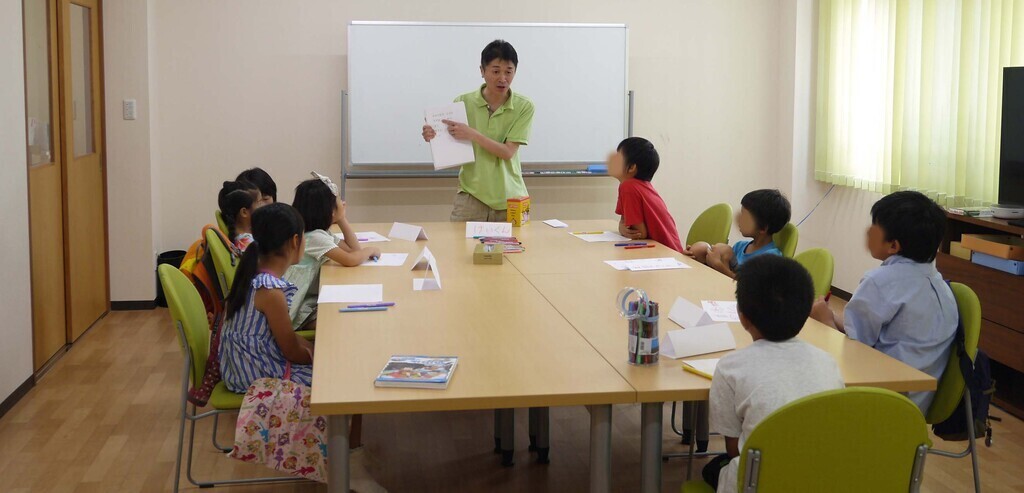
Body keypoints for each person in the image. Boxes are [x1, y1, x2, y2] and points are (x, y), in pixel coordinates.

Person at [704, 255, 845, 492]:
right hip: (820, 479)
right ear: (806, 313)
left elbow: (734, 449)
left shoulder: (730, 367)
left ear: (742, 315)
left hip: (758, 481)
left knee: (712, 469)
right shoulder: (827, 362)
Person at [810, 190, 956, 412]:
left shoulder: (880, 282)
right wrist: (831, 316)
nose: (868, 231)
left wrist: (824, 321)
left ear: (893, 246)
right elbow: (861, 332)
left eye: (873, 227)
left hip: (877, 400)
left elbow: (851, 351)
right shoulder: (939, 283)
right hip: (916, 402)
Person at [421, 40, 534, 222]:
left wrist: (472, 134)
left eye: (508, 71)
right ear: (482, 71)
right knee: (458, 249)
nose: (503, 78)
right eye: (496, 71)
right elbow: (452, 145)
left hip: (510, 197)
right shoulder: (462, 102)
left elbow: (507, 152)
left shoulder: (524, 106)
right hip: (470, 195)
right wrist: (434, 135)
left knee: (514, 249)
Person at [219, 203, 314, 393]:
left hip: (241, 368)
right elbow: (292, 351)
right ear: (295, 241)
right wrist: (317, 357)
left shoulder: (254, 273)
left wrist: (313, 350)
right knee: (331, 378)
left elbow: (289, 338)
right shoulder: (270, 292)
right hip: (255, 377)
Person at [285, 172, 380, 330]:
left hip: (307, 301)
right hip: (297, 309)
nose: (343, 203)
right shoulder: (314, 238)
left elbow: (353, 250)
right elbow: (350, 260)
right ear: (329, 211)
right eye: (338, 202)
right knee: (338, 323)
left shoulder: (319, 233)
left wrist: (341, 218)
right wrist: (370, 250)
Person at [685, 189, 790, 278]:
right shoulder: (740, 246)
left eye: (745, 217)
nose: (739, 220)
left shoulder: (771, 258)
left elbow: (750, 289)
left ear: (763, 228)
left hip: (743, 300)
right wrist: (690, 257)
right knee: (701, 248)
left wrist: (719, 266)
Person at [607, 137, 683, 252]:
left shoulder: (629, 187)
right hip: (666, 251)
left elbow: (639, 234)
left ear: (632, 167)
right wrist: (622, 228)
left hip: (665, 254)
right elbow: (624, 222)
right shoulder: (636, 186)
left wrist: (623, 229)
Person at [217, 180, 268, 252]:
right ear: (244, 212)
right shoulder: (249, 246)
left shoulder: (241, 240)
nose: (263, 206)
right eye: (259, 202)